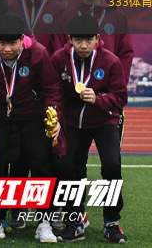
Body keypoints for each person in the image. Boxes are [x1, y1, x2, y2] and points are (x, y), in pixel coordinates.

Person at [0, 13, 63, 243]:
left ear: (22, 39)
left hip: (32, 116)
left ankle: (44, 222)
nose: (7, 49)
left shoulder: (38, 53)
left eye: (13, 43)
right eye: (2, 43)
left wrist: (53, 116)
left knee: (41, 166)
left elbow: (51, 89)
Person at [51, 15, 127, 243]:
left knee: (112, 166)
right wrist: (56, 118)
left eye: (88, 40)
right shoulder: (60, 59)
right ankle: (75, 220)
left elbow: (120, 97)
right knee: (69, 168)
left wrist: (99, 99)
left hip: (104, 121)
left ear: (97, 39)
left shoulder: (110, 61)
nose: (83, 45)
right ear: (70, 39)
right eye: (78, 40)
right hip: (73, 123)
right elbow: (54, 93)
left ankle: (111, 222)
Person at [52, 0, 133, 82]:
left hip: (107, 83)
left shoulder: (117, 17)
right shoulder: (66, 17)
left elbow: (125, 53)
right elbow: (59, 50)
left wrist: (119, 82)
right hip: (73, 83)